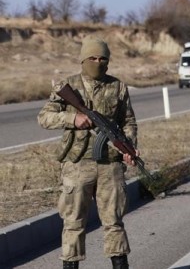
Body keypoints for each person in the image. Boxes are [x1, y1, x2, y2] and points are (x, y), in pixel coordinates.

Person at [37, 35, 138, 269]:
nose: (98, 62)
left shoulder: (118, 86)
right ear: (83, 59)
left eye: (103, 59)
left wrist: (129, 147)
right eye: (92, 58)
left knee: (114, 222)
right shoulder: (68, 86)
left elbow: (129, 122)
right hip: (77, 164)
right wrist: (73, 119)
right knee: (73, 223)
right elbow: (44, 117)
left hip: (110, 164)